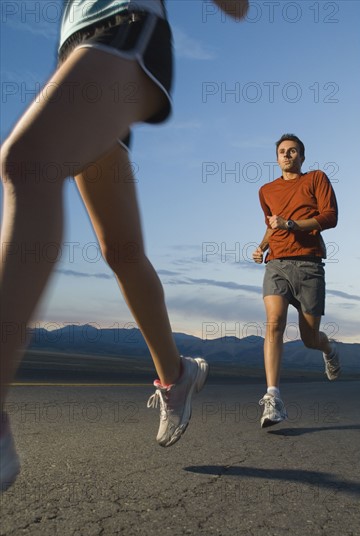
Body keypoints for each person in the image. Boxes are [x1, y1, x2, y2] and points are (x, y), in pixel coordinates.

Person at [0, 0, 250, 491]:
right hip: (80, 48)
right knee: (121, 251)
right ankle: (176, 375)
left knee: (28, 163)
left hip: (124, 27)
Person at [252, 134, 340, 428]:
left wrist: (291, 224)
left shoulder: (316, 179)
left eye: (292, 151)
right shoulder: (266, 190)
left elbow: (330, 217)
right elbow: (271, 225)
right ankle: (273, 398)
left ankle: (328, 350)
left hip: (309, 265)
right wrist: (262, 246)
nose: (287, 155)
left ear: (301, 157)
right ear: (277, 158)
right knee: (274, 322)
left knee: (309, 339)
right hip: (276, 264)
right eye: (282, 151)